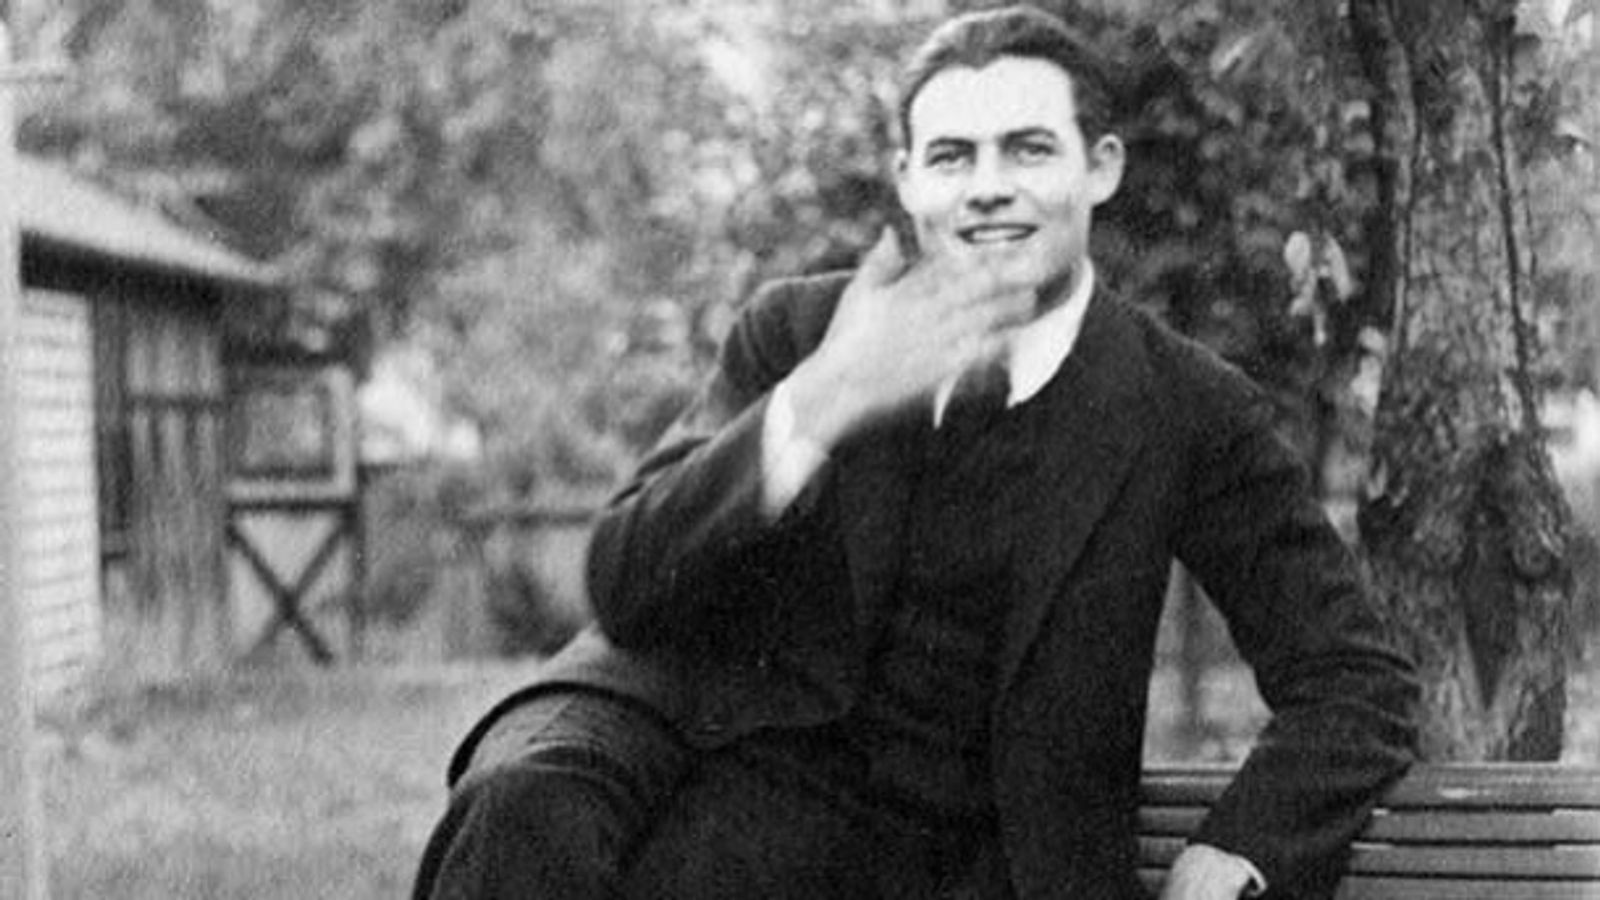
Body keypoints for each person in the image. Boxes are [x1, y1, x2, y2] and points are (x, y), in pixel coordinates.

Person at [413, 6, 1419, 899]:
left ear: (1101, 167)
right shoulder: (803, 336)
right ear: (907, 181)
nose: (988, 190)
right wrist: (827, 397)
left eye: (1028, 150)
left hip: (993, 863)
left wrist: (1243, 847)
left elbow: (1351, 676)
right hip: (744, 830)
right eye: (951, 158)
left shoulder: (1185, 406)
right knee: (523, 817)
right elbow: (627, 584)